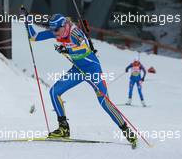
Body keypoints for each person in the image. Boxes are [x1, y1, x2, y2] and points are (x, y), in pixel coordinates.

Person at [25, 13, 137, 145]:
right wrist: (28, 22)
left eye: (56, 30)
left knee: (104, 102)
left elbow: (84, 49)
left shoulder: (74, 32)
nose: (54, 33)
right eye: (52, 30)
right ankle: (63, 129)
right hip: (78, 70)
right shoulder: (57, 32)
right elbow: (34, 37)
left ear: (64, 25)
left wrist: (66, 49)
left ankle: (126, 130)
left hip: (92, 70)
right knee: (54, 92)